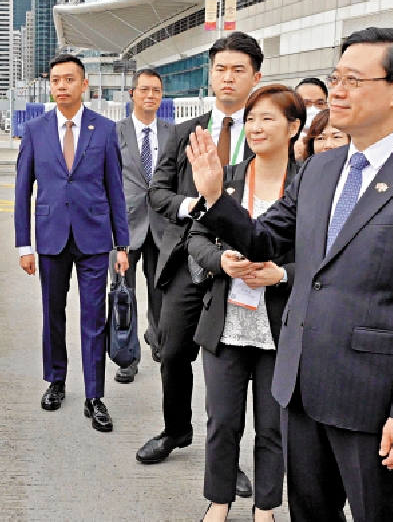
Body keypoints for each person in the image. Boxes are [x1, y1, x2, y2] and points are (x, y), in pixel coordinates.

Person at [185, 27, 393, 521]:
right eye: (336, 78)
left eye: (354, 80)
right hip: (301, 387)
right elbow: (264, 241)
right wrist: (214, 198)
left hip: (374, 399)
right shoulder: (319, 170)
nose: (338, 91)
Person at [140, 32, 259, 507]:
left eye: (238, 70)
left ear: (256, 77)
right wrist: (194, 205)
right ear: (210, 75)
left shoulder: (264, 130)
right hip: (189, 260)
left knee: (227, 366)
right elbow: (157, 192)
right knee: (172, 351)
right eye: (220, 69)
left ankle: (227, 459)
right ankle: (176, 429)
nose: (228, 78)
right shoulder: (184, 132)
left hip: (243, 264)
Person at [188, 85, 304, 522]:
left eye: (267, 118)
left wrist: (283, 275)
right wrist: (220, 261)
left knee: (272, 427)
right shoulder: (227, 178)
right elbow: (196, 238)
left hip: (280, 327)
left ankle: (266, 507)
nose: (256, 127)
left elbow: (325, 257)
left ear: (293, 127)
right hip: (227, 322)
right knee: (222, 422)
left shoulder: (308, 185)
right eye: (251, 118)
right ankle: (218, 501)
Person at [15, 53, 130, 433]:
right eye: (55, 80)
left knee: (94, 318)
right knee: (53, 314)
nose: (61, 86)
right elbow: (22, 191)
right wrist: (24, 245)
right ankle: (56, 380)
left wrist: (122, 245)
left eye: (69, 79)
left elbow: (116, 189)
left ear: (84, 85)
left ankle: (94, 396)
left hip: (94, 238)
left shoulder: (104, 130)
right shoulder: (35, 130)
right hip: (50, 238)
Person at [112, 68, 170, 381]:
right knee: (125, 294)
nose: (150, 95)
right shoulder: (114, 132)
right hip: (124, 226)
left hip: (163, 226)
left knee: (161, 291)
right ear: (132, 94)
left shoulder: (172, 133)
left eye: (156, 90)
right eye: (144, 89)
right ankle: (127, 356)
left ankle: (157, 337)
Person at [293, 77, 329, 160]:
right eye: (306, 103)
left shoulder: (339, 134)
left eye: (320, 103)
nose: (313, 109)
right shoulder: (284, 138)